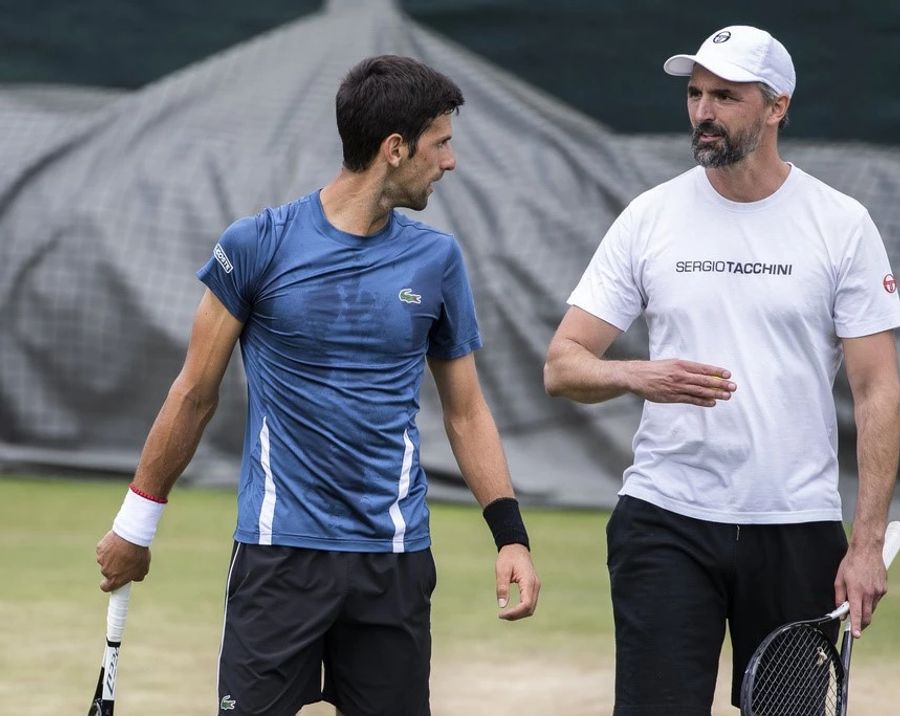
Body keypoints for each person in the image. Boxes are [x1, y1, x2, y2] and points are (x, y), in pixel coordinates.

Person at [96, 55, 540, 716]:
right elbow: (194, 392)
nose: (450, 161)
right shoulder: (256, 245)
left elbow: (467, 411)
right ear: (395, 149)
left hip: (393, 562)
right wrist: (137, 525)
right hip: (278, 561)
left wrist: (511, 537)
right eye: (441, 143)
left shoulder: (438, 260)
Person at [544, 24, 900, 715]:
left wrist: (865, 546)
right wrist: (638, 375)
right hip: (665, 520)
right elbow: (564, 364)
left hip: (797, 530)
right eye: (696, 94)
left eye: (727, 96)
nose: (703, 112)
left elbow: (878, 386)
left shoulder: (842, 223)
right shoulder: (651, 216)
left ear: (777, 107)